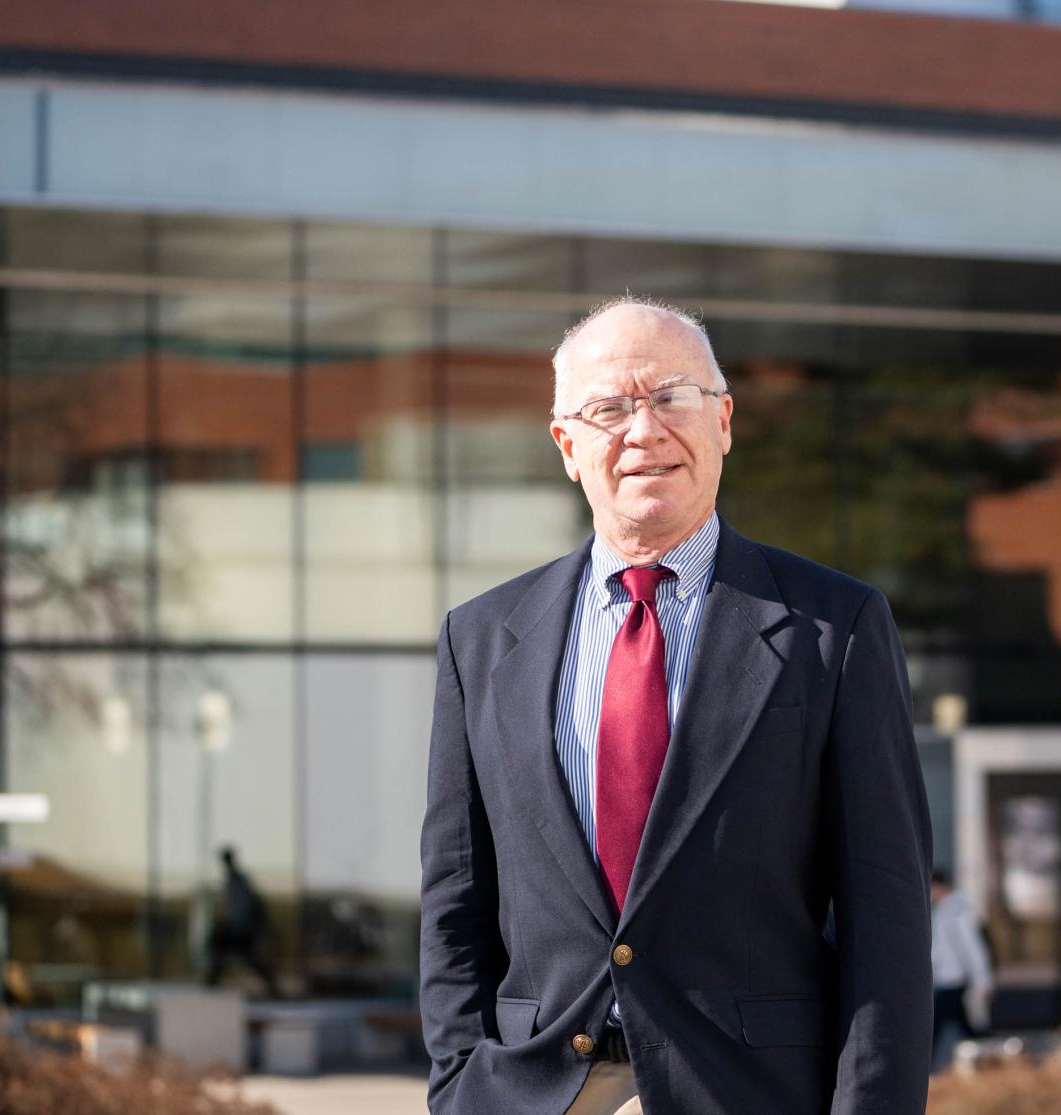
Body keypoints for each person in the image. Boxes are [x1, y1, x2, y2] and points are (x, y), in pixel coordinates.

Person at [418, 297, 933, 1115]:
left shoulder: (835, 628)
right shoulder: (478, 641)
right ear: (567, 445)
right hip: (534, 1094)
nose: (643, 430)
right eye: (609, 407)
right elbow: (456, 902)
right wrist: (459, 1086)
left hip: (751, 1091)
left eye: (671, 397)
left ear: (723, 420)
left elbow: (887, 917)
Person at [928, 869, 993, 1073]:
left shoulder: (956, 912)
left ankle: (926, 1071)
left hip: (954, 982)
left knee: (933, 1029)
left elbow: (972, 949)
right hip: (946, 980)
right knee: (969, 1030)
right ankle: (986, 1063)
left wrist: (982, 980)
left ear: (940, 887)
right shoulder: (943, 911)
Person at [206, 846, 280, 998]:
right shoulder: (231, 880)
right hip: (236, 927)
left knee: (246, 957)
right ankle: (212, 982)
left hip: (241, 928)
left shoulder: (238, 880)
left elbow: (249, 904)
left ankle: (272, 986)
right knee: (221, 951)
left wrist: (253, 925)